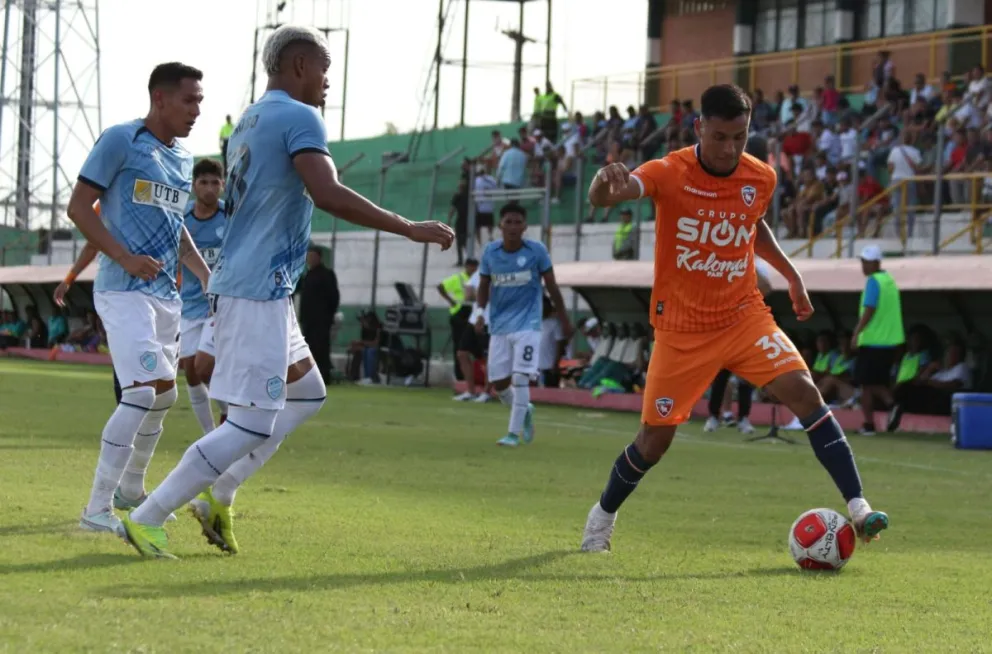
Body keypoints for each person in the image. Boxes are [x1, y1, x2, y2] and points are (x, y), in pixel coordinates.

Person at [117, 26, 453, 558]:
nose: (326, 83)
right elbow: (328, 193)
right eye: (323, 70)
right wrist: (409, 226)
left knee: (309, 393)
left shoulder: (249, 119)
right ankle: (148, 515)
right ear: (299, 65)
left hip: (259, 286)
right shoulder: (300, 117)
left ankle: (220, 492)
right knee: (251, 424)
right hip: (257, 292)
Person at [580, 84, 889, 553]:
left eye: (740, 137)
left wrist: (792, 275)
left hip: (743, 316)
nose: (729, 148)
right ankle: (601, 518)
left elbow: (753, 223)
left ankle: (860, 508)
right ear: (699, 127)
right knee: (653, 443)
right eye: (720, 136)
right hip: (681, 331)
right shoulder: (669, 171)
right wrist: (602, 183)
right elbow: (611, 195)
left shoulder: (760, 176)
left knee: (805, 393)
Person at [65, 62, 211, 533]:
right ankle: (95, 510)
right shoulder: (120, 140)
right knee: (141, 392)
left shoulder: (184, 160)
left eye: (200, 101)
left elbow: (176, 227)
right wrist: (125, 257)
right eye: (189, 100)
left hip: (166, 295)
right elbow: (77, 207)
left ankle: (131, 488)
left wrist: (207, 276)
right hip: (122, 291)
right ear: (160, 99)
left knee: (164, 397)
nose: (196, 110)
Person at [476, 203, 572, 447]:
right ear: (500, 225)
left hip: (528, 324)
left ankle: (512, 434)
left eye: (518, 222)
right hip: (499, 326)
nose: (513, 226)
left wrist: (564, 319)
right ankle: (525, 409)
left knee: (520, 377)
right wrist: (479, 313)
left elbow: (551, 287)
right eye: (508, 221)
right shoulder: (490, 252)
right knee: (499, 384)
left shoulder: (536, 251)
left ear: (525, 226)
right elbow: (484, 286)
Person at [178, 158, 229, 434]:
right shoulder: (182, 220)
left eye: (215, 183)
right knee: (191, 372)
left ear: (223, 186)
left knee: (204, 365)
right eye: (203, 182)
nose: (209, 189)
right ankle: (209, 434)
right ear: (194, 186)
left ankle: (228, 417)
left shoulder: (229, 216)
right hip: (189, 306)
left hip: (220, 306)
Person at [703, 257, 773, 435]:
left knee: (746, 378)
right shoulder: (728, 259)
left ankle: (743, 419)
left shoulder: (759, 265)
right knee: (720, 376)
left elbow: (766, 288)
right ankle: (713, 416)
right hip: (726, 326)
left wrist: (747, 268)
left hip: (748, 327)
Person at [851, 245, 905, 436]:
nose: (863, 266)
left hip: (873, 340)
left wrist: (856, 332)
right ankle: (893, 406)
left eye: (866, 262)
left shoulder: (874, 281)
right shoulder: (889, 281)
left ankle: (869, 424)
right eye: (862, 262)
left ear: (876, 262)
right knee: (877, 382)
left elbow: (870, 308)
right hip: (889, 341)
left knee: (866, 384)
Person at [299, 243, 340, 383]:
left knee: (321, 348)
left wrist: (328, 315)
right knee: (308, 348)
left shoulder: (327, 274)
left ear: (319, 257)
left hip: (321, 320)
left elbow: (334, 297)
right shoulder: (307, 275)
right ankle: (310, 377)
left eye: (312, 256)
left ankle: (323, 377)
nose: (309, 259)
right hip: (308, 320)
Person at [452, 262, 491, 402]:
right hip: (474, 319)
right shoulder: (480, 272)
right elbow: (468, 294)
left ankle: (487, 392)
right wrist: (481, 293)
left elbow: (492, 295)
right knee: (462, 353)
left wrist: (481, 293)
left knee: (488, 358)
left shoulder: (500, 272)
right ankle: (470, 390)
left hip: (490, 321)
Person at [437, 259, 477, 382]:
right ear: (466, 267)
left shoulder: (478, 278)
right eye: (471, 267)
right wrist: (450, 301)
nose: (473, 269)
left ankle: (474, 375)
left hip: (473, 314)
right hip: (459, 315)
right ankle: (460, 376)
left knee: (474, 346)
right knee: (459, 347)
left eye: (475, 267)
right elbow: (441, 286)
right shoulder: (458, 278)